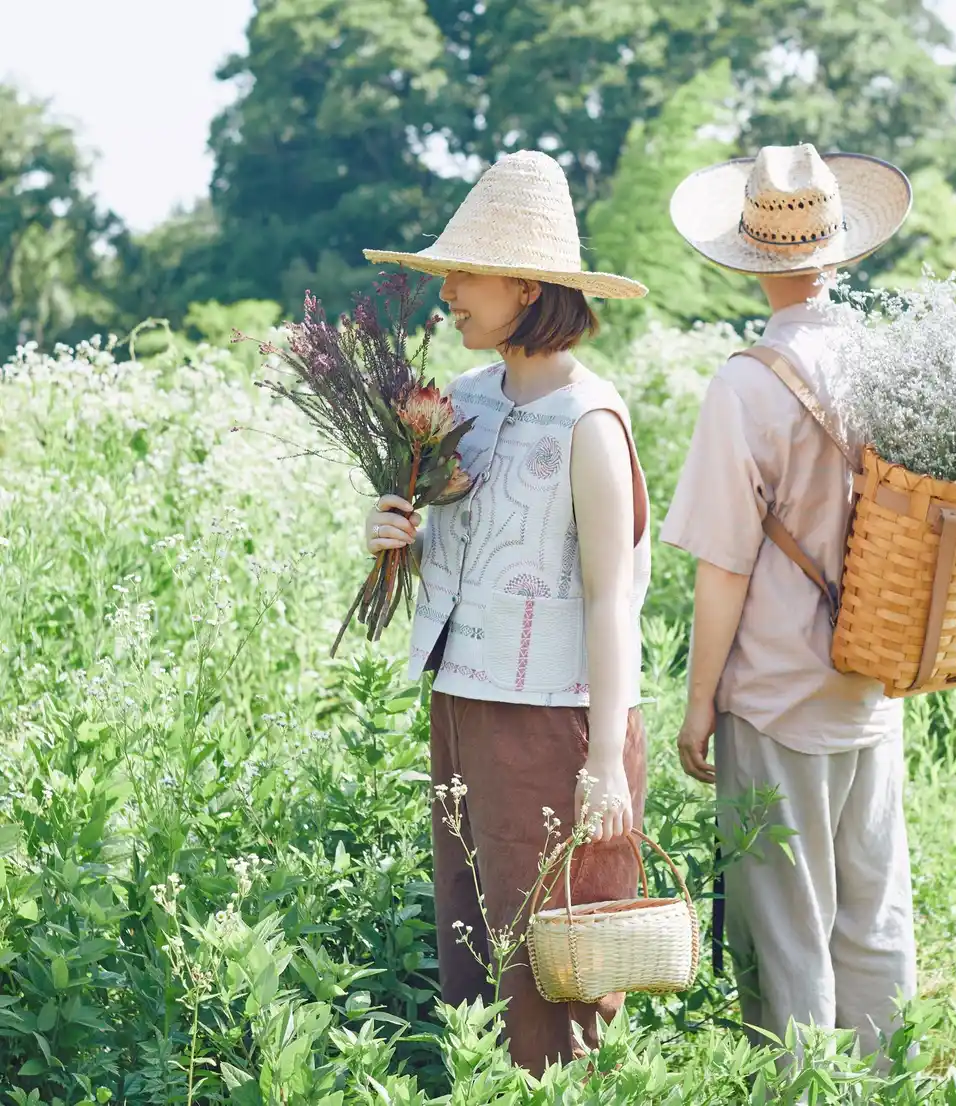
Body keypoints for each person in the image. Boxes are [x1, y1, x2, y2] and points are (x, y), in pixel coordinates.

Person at [360, 150, 652, 1073]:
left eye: (466, 272)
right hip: (463, 699)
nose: (447, 290)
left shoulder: (589, 422)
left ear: (526, 286)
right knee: (471, 931)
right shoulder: (462, 407)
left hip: (557, 720)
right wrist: (390, 533)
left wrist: (605, 760)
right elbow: (456, 554)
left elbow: (614, 598)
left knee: (551, 955)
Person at [660, 143, 916, 1063]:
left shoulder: (744, 385)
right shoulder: (892, 369)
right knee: (874, 913)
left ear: (748, 256)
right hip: (872, 679)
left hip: (774, 689)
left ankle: (802, 1090)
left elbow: (724, 565)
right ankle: (891, 1083)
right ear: (840, 252)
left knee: (788, 927)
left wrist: (698, 707)